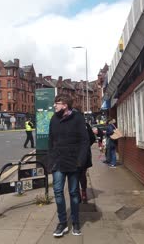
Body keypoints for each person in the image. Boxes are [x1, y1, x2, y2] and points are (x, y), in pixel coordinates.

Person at [48, 94, 89, 237]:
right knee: (58, 192)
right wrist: (51, 161)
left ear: (65, 105)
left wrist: (80, 161)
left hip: (74, 162)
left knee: (74, 193)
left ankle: (76, 222)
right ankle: (63, 223)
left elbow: (85, 141)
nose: (55, 106)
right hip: (58, 162)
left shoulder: (77, 118)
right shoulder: (53, 119)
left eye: (57, 103)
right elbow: (50, 140)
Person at [79, 121, 95, 203]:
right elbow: (93, 138)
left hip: (73, 155)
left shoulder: (68, 123)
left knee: (73, 175)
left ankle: (77, 194)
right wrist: (86, 146)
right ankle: (84, 193)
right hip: (84, 154)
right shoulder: (85, 125)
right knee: (82, 174)